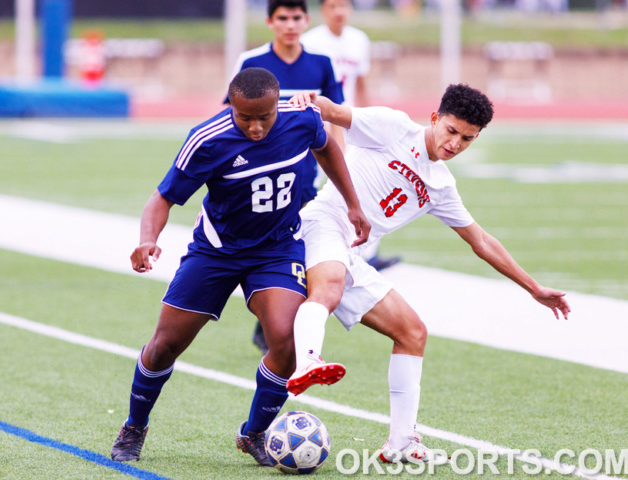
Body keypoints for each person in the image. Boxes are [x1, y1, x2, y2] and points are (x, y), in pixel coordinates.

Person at [286, 85, 571, 463]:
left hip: (353, 254)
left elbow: (482, 241)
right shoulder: (393, 127)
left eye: (467, 139)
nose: (455, 143)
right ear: (435, 118)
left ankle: (400, 443)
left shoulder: (441, 186)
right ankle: (308, 361)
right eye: (451, 131)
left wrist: (533, 288)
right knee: (330, 287)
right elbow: (333, 112)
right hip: (322, 224)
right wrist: (310, 101)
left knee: (412, 332)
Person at [110, 68, 370, 465]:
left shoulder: (302, 117)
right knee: (165, 347)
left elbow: (328, 148)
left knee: (285, 341)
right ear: (230, 105)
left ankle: (254, 433)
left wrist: (352, 203)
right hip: (216, 252)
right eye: (244, 117)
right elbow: (161, 199)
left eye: (263, 117)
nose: (254, 126)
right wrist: (148, 240)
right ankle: (134, 425)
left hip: (277, 248)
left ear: (276, 106)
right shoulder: (207, 140)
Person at [230, 0, 346, 354]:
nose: (290, 24)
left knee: (300, 251)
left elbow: (334, 119)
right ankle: (271, 324)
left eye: (297, 17)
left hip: (306, 176)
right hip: (262, 178)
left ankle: (280, 330)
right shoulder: (252, 63)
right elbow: (230, 116)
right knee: (263, 249)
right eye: (283, 18)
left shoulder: (321, 63)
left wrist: (340, 171)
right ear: (270, 21)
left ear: (307, 20)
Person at [302, 0, 401, 271]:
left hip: (350, 122)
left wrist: (371, 122)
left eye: (344, 5)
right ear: (323, 10)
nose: (339, 11)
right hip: (321, 123)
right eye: (333, 5)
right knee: (316, 188)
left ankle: (367, 253)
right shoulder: (310, 42)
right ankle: (304, 249)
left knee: (363, 183)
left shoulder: (359, 40)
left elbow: (360, 83)